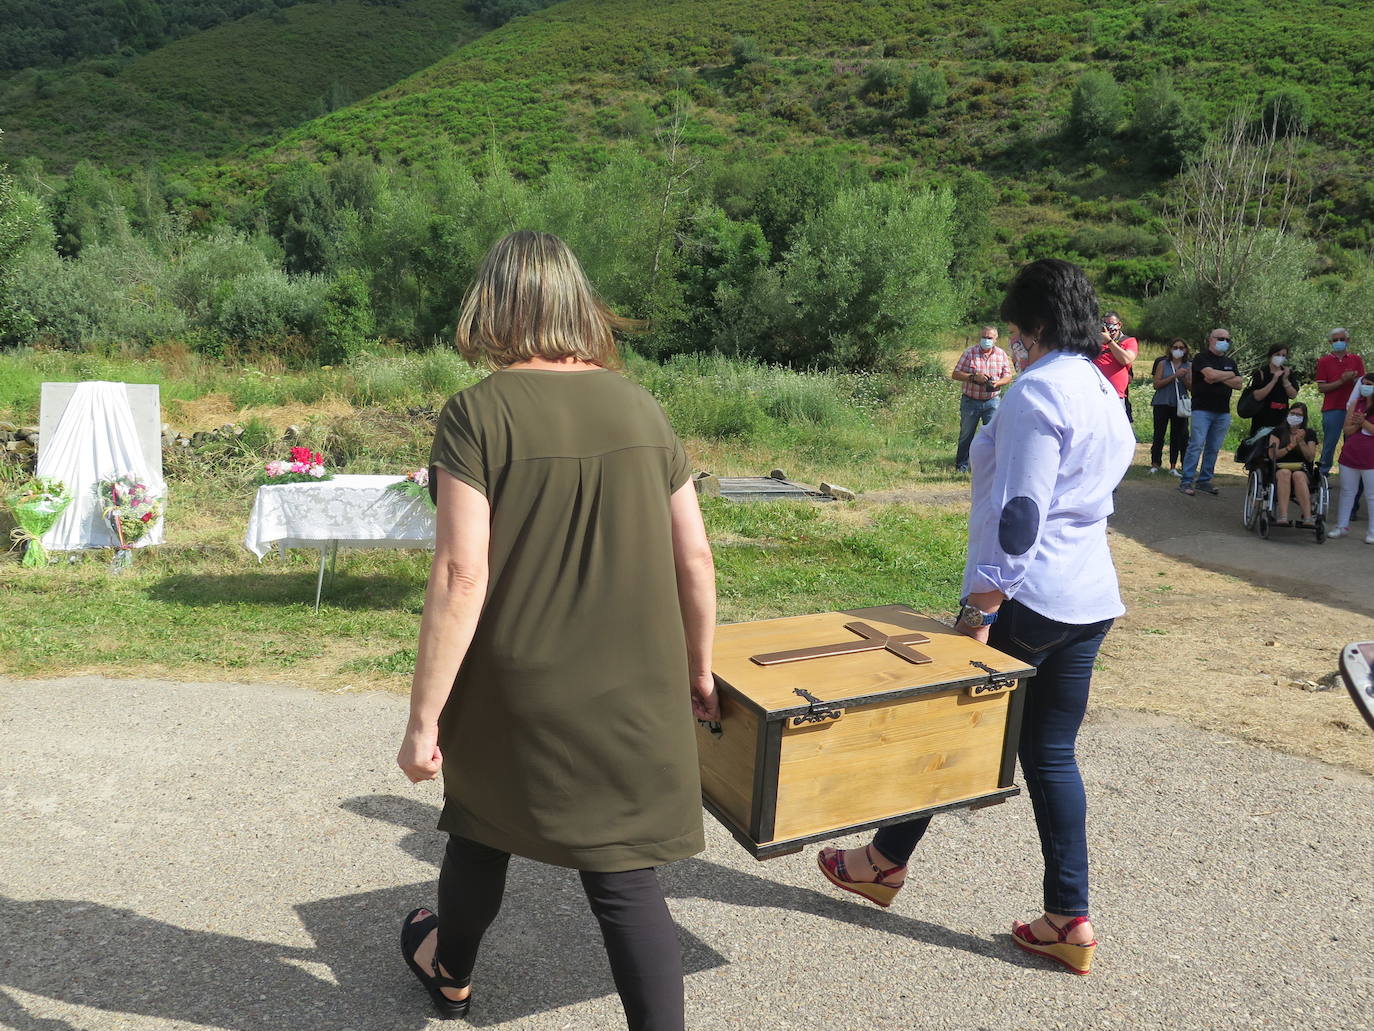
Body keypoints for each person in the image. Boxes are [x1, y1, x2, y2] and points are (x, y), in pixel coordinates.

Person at [395, 230, 719, 1030]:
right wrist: (701, 670)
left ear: (495, 305)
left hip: (519, 686)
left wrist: (424, 718)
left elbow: (460, 575)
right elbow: (697, 556)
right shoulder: (641, 403)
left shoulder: (476, 412)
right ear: (577, 302)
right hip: (635, 685)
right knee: (625, 878)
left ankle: (453, 971)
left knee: (480, 829)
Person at [816, 259, 1134, 977]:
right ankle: (1067, 916)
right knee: (1051, 752)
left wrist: (980, 606)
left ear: (1034, 325)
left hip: (1029, 594)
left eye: (1018, 328)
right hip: (1090, 597)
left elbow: (1020, 517)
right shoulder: (1100, 386)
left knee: (950, 722)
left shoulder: (1036, 392)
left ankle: (879, 863)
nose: (1015, 340)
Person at [1178, 328, 1242, 497]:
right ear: (1211, 339)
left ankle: (1204, 480)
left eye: (1228, 339)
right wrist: (1228, 375)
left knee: (1213, 448)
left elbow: (1239, 383)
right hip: (1202, 409)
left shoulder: (1230, 362)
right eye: (1221, 338)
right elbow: (1210, 376)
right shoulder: (1201, 358)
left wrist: (1220, 376)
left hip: (1223, 411)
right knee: (1196, 445)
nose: (1225, 342)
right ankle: (1186, 480)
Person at [951, 325, 1015, 473]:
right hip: (970, 400)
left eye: (989, 338)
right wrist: (974, 377)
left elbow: (1008, 376)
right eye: (984, 337)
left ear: (996, 339)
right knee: (966, 435)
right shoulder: (970, 353)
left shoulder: (1001, 355)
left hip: (992, 401)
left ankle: (992, 467)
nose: (986, 340)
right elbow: (955, 374)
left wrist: (997, 383)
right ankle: (962, 466)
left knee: (994, 436)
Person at [1330, 373, 1374, 543]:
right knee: (1347, 491)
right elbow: (1347, 430)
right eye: (1363, 383)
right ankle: (1341, 526)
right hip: (1350, 454)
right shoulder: (1356, 403)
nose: (1365, 386)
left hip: (1370, 458)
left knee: (1371, 495)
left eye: (1369, 384)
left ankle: (1372, 531)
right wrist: (1358, 423)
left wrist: (1363, 423)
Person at [1315, 328, 1366, 477]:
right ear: (1330, 342)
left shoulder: (1356, 359)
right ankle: (1322, 474)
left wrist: (1354, 380)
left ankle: (1351, 474)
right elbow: (1321, 387)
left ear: (1347, 340)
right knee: (1330, 443)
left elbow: (1362, 383)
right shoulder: (1324, 361)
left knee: (1352, 443)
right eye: (1335, 340)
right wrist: (1342, 381)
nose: (1339, 342)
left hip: (1354, 408)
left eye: (1342, 339)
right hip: (1332, 408)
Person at [1265, 402, 1318, 526]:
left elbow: (1310, 457)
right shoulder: (1278, 432)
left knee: (1298, 475)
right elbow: (1273, 455)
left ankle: (1308, 517)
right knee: (1285, 473)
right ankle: (1283, 516)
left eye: (1299, 415)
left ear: (1304, 418)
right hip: (1280, 467)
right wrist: (1290, 446)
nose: (1295, 417)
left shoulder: (1309, 433)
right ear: (1288, 414)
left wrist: (1301, 442)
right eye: (1292, 413)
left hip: (1302, 469)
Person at [1149, 338, 1192, 475]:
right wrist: (1174, 376)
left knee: (1178, 435)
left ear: (1185, 350)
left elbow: (1191, 387)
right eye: (1175, 347)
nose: (1178, 350)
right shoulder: (1162, 363)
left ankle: (1173, 466)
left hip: (1179, 405)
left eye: (1181, 347)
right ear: (1170, 349)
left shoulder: (1189, 365)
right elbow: (1156, 384)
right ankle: (1155, 463)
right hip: (1162, 402)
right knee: (1159, 434)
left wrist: (1184, 378)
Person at [1093, 311, 1138, 417]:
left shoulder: (1128, 341)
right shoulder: (1094, 342)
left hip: (1116, 395)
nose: (1108, 327)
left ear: (1119, 325)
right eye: (1105, 323)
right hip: (1095, 394)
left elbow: (1126, 359)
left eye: (1111, 323)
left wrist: (1109, 341)